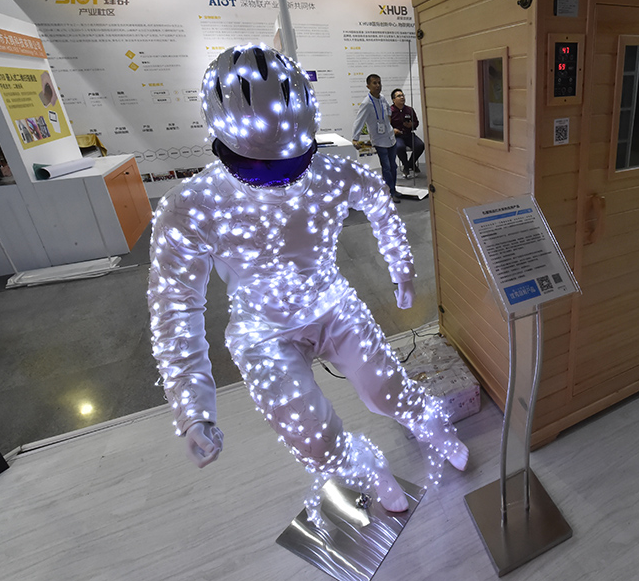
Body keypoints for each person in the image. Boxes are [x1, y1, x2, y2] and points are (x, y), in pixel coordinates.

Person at [148, 45, 467, 528]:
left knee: (387, 387)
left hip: (331, 303)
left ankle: (427, 424)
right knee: (311, 435)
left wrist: (402, 267)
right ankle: (361, 466)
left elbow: (379, 202)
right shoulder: (191, 206)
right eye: (261, 170)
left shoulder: (330, 172)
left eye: (293, 164)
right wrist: (193, 407)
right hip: (261, 330)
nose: (281, 184)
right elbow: (174, 309)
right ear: (223, 145)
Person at [351, 74, 401, 203]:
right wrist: (355, 138)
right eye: (374, 83)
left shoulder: (383, 98)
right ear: (368, 86)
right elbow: (359, 120)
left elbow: (388, 111)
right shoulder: (366, 103)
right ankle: (389, 192)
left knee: (393, 166)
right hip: (379, 140)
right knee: (386, 167)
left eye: (379, 82)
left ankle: (393, 189)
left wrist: (388, 124)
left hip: (390, 138)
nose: (378, 85)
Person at [389, 88, 425, 179]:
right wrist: (393, 130)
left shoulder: (409, 109)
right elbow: (386, 125)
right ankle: (406, 165)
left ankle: (409, 164)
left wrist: (411, 125)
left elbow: (416, 122)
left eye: (403, 95)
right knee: (399, 147)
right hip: (397, 136)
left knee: (420, 145)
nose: (402, 97)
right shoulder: (390, 111)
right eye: (399, 96)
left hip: (409, 134)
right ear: (393, 100)